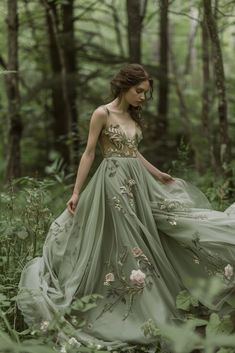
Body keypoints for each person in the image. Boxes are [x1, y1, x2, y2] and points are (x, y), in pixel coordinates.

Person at [17, 63, 235, 351]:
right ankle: (128, 301)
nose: (143, 97)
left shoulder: (133, 117)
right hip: (112, 184)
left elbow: (133, 153)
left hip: (140, 182)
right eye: (139, 91)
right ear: (124, 86)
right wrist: (76, 191)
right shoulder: (102, 114)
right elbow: (90, 153)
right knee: (125, 240)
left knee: (167, 225)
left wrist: (157, 173)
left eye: (146, 92)